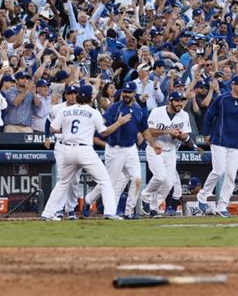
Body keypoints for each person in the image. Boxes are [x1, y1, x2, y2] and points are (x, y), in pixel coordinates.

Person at [41, 85, 131, 221]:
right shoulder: (93, 112)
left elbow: (53, 129)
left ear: (77, 96)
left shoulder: (66, 110)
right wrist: (119, 123)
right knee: (105, 180)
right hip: (84, 150)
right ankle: (110, 212)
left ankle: (47, 213)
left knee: (62, 182)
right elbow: (104, 132)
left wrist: (67, 131)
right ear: (91, 98)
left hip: (67, 149)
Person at [84, 81, 161, 220]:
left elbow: (145, 130)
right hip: (115, 149)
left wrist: (153, 144)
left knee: (137, 179)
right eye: (124, 91)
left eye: (129, 92)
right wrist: (117, 122)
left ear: (134, 93)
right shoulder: (115, 108)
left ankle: (129, 211)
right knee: (108, 182)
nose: (126, 94)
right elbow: (102, 123)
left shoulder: (139, 110)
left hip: (131, 148)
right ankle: (88, 200)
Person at [197, 75, 238, 218]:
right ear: (232, 85)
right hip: (219, 141)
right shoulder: (223, 99)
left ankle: (222, 206)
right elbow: (209, 115)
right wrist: (206, 133)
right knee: (219, 171)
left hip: (237, 143)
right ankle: (203, 195)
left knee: (231, 175)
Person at [141, 91, 197, 218]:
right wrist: (167, 131)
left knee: (169, 183)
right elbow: (148, 131)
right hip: (155, 148)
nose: (180, 103)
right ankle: (145, 197)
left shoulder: (184, 115)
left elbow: (186, 135)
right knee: (160, 177)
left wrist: (178, 134)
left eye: (181, 101)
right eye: (177, 101)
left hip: (171, 150)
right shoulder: (157, 111)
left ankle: (153, 208)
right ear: (170, 101)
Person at [44, 85, 82, 220]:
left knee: (75, 180)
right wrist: (47, 137)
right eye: (70, 93)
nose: (72, 96)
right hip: (61, 145)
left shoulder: (82, 109)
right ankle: (59, 209)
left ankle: (71, 208)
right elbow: (48, 123)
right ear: (65, 95)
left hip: (77, 146)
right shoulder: (57, 108)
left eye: (75, 93)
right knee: (63, 177)